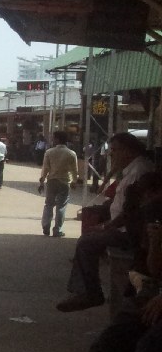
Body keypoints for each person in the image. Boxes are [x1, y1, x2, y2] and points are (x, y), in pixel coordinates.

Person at [86, 190, 162, 352]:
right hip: (155, 295)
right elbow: (154, 269)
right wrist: (156, 243)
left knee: (152, 351)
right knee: (106, 347)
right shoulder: (155, 210)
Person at [58, 133, 158, 312]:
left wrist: (107, 226)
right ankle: (86, 290)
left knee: (86, 243)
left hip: (128, 231)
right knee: (90, 233)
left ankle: (91, 293)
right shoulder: (130, 169)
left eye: (114, 150)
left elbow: (131, 210)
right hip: (120, 225)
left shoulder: (139, 171)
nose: (111, 155)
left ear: (128, 150)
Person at [39, 131, 80, 237]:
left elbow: (45, 168)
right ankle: (57, 230)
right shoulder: (71, 153)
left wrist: (42, 181)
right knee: (61, 206)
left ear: (57, 139)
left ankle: (46, 227)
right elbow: (74, 169)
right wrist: (74, 181)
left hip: (52, 181)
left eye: (53, 138)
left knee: (49, 204)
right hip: (65, 182)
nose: (52, 139)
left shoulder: (49, 152)